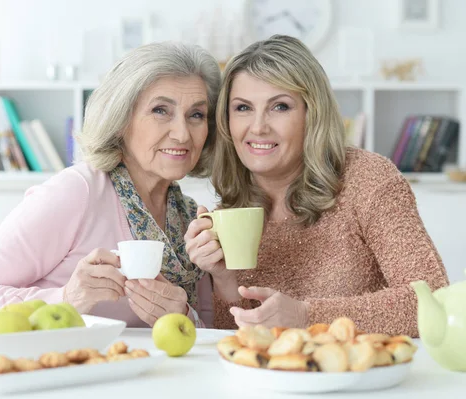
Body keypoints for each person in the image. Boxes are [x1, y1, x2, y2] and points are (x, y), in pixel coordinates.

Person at [184, 35, 449, 337]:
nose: (258, 127)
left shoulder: (368, 180)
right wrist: (225, 281)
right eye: (243, 108)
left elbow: (434, 300)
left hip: (361, 375)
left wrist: (306, 316)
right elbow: (241, 339)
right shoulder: (231, 213)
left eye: (280, 107)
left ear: (312, 113)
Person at [0, 41, 221, 328]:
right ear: (121, 120)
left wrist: (184, 316)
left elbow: (209, 335)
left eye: (196, 115)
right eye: (160, 110)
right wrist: (66, 299)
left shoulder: (190, 216)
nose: (182, 134)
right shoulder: (78, 192)